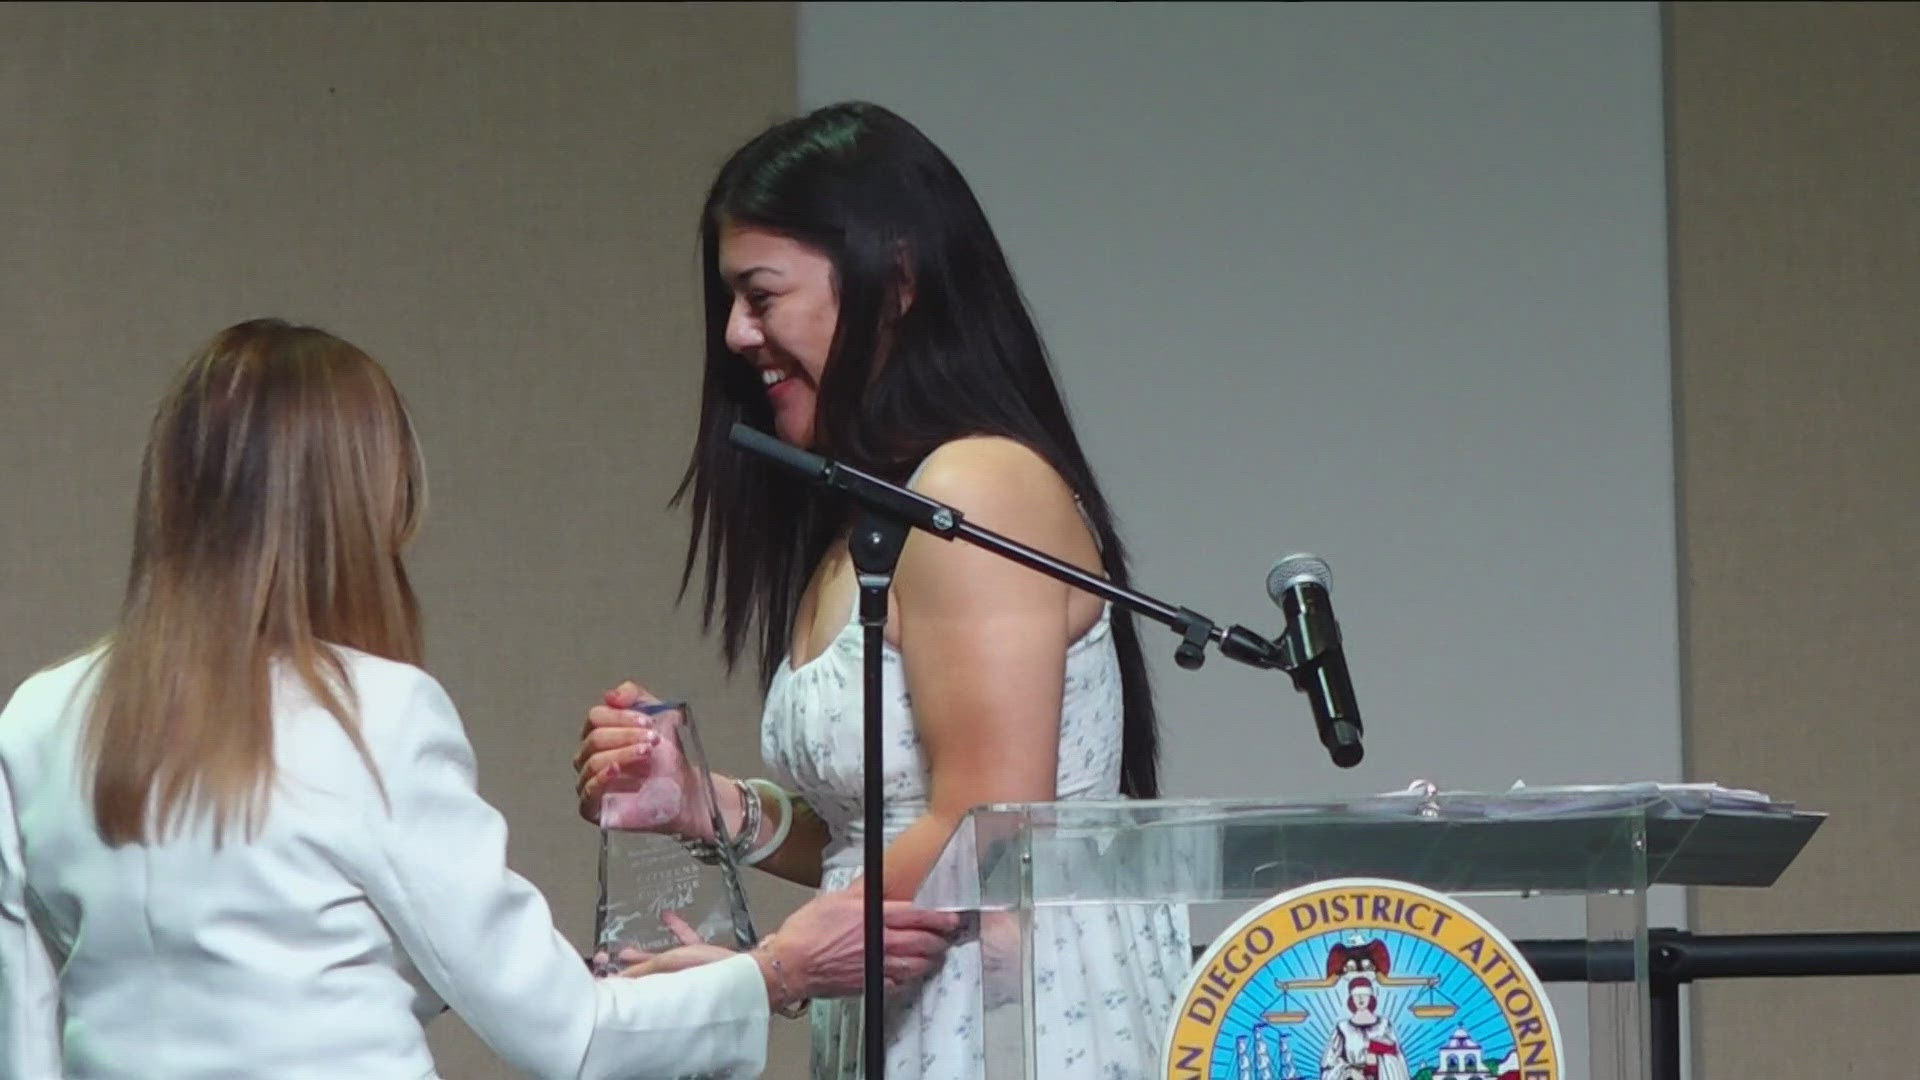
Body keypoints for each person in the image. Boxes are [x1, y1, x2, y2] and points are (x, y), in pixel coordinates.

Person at [0, 319, 955, 1079]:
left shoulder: (35, 721)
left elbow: (27, 1035)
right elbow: (569, 1036)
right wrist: (779, 969)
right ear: (363, 504)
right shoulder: (375, 715)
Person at [573, 102, 1190, 1079]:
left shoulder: (977, 486)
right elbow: (874, 829)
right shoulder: (867, 516)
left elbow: (984, 825)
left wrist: (765, 971)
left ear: (895, 281)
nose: (736, 334)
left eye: (761, 295)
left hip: (1013, 1018)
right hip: (914, 1005)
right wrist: (707, 803)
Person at [1319, 978, 1410, 1080]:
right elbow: (1330, 1063)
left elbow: (1398, 1058)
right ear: (1351, 998)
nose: (1361, 998)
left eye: (1364, 994)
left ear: (1370, 997)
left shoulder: (1384, 1025)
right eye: (1356, 995)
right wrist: (1349, 1071)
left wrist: (1378, 1060)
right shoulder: (1343, 1028)